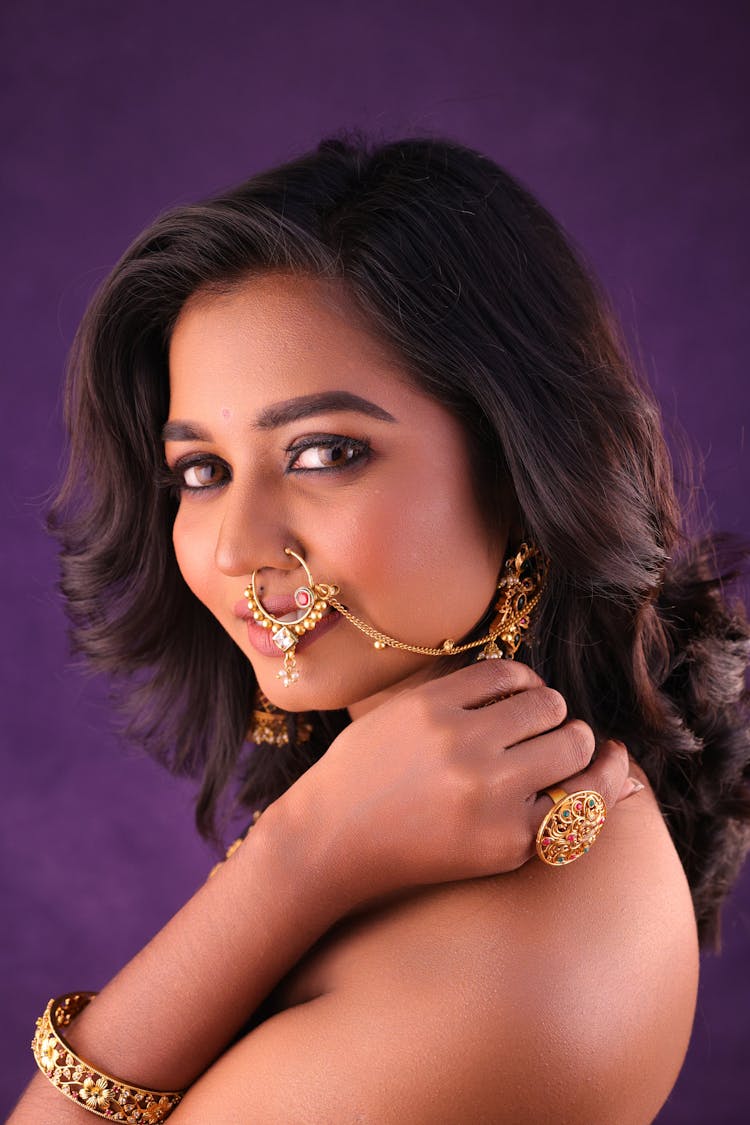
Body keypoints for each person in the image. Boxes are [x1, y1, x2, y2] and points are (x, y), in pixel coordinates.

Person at [11, 135, 750, 1124]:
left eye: (323, 452)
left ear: (525, 466)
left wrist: (294, 862)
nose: (233, 546)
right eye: (201, 470)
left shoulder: (509, 976)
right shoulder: (406, 815)